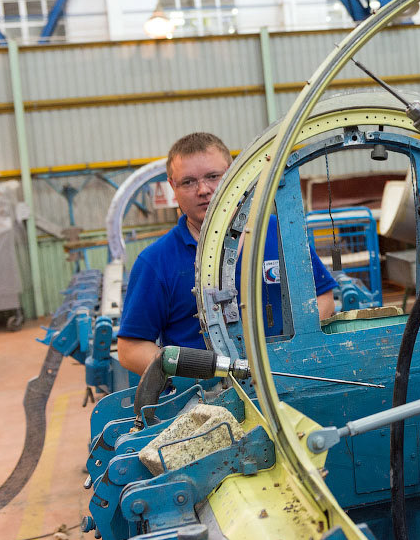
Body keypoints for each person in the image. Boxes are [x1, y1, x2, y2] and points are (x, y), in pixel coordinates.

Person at [118, 133, 337, 375]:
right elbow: (130, 348)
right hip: (205, 397)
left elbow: (322, 297)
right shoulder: (155, 262)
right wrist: (186, 377)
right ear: (172, 186)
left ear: (232, 174)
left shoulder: (279, 231)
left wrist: (292, 355)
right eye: (188, 182)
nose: (203, 190)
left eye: (213, 177)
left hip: (290, 379)